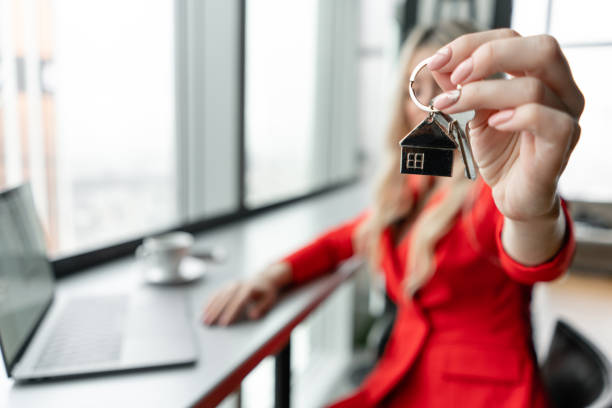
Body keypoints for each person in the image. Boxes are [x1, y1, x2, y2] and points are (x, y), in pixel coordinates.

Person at [202, 21, 583, 408]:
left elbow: (532, 252)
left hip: (487, 395)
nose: (431, 105)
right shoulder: (416, 185)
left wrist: (532, 212)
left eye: (446, 89)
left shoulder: (492, 188)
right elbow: (347, 238)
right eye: (418, 91)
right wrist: (274, 274)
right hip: (405, 374)